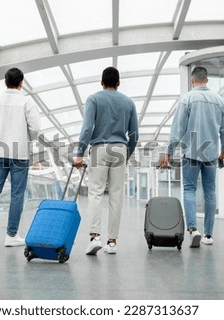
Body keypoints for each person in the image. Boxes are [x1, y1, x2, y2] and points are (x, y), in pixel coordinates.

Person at [159, 66, 224, 248]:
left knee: (189, 189)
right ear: (207, 79)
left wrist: (168, 150)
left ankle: (193, 229)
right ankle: (208, 235)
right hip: (211, 153)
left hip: (191, 152)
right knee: (210, 192)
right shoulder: (219, 101)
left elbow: (178, 129)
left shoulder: (187, 99)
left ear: (192, 80)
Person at [74, 66, 139, 255]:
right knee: (116, 195)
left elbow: (87, 129)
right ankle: (112, 242)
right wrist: (127, 154)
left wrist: (79, 153)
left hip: (99, 148)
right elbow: (134, 133)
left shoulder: (94, 99)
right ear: (118, 83)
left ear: (101, 83)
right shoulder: (128, 102)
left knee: (95, 193)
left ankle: (95, 238)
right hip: (120, 148)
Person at [0, 67, 40, 248]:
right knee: (17, 194)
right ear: (21, 83)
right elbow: (35, 129)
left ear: (5, 82)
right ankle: (11, 235)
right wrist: (27, 136)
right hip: (19, 153)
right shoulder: (27, 102)